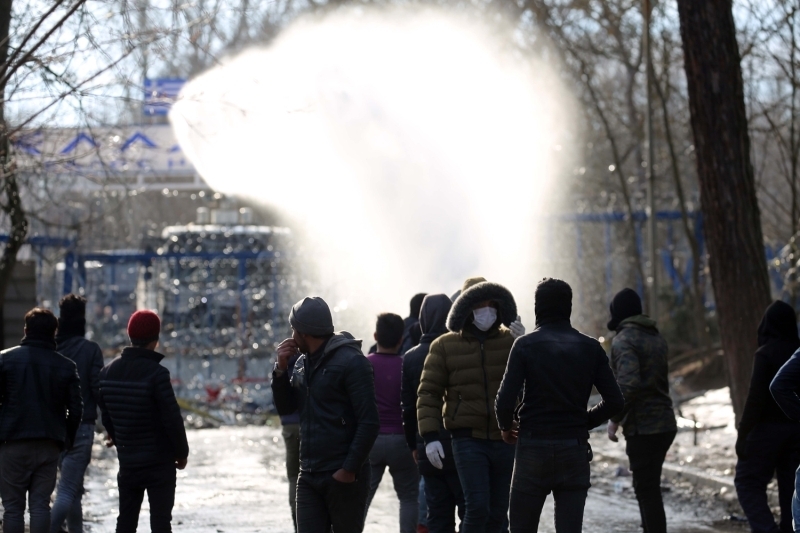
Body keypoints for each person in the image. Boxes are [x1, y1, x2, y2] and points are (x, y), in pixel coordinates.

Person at [496, 278, 623, 533]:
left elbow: (505, 399)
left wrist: (506, 427)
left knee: (521, 527)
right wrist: (584, 421)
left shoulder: (525, 346)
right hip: (573, 449)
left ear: (537, 308)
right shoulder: (590, 348)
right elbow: (615, 401)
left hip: (532, 447)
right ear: (569, 307)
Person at [417, 277, 525, 533]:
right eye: (479, 304)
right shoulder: (444, 345)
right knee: (477, 508)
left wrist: (526, 343)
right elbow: (429, 392)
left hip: (505, 438)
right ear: (465, 307)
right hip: (467, 440)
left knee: (499, 512)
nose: (486, 310)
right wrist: (430, 436)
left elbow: (533, 384)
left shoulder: (511, 341)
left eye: (491, 304)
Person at [271, 297, 380, 533]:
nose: (291, 335)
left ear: (304, 332)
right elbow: (287, 408)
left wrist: (348, 470)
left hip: (343, 475)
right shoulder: (301, 364)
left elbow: (369, 422)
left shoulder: (352, 363)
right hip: (309, 474)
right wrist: (280, 371)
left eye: (293, 329)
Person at [97, 310, 189, 533]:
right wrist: (182, 452)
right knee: (160, 523)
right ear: (155, 340)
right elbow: (171, 417)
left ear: (130, 336)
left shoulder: (107, 372)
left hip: (128, 462)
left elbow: (106, 414)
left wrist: (119, 438)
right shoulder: (157, 374)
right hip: (160, 463)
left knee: (126, 521)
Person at [0, 308, 82, 533]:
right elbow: (76, 409)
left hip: (12, 442)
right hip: (49, 443)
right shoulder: (66, 366)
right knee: (40, 506)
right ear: (54, 333)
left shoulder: (5, 360)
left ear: (26, 330)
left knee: (13, 508)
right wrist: (66, 439)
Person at [605, 288, 677, 533]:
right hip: (665, 423)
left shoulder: (624, 340)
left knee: (646, 491)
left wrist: (614, 418)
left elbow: (628, 384)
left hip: (644, 426)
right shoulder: (655, 337)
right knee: (650, 488)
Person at [736, 301, 800, 533]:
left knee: (747, 482)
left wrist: (743, 435)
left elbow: (755, 400)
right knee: (790, 489)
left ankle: (766, 529)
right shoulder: (797, 353)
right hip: (795, 431)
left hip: (765, 432)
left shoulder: (765, 354)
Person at [402, 294, 464, 533]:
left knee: (438, 516)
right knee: (469, 512)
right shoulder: (462, 351)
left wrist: (414, 446)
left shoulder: (411, 357)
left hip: (428, 447)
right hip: (462, 446)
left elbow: (408, 407)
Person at [50, 294, 105, 533]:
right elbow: (98, 389)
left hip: (51, 427)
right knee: (68, 489)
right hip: (82, 426)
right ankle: (48, 528)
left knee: (74, 489)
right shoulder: (91, 350)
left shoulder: (50, 349)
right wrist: (111, 426)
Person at [365, 313, 419, 533]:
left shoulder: (365, 364)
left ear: (375, 335)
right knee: (408, 498)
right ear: (401, 339)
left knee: (361, 499)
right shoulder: (407, 365)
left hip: (371, 442)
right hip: (402, 441)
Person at [280, 352, 302, 532]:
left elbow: (278, 395)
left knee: (294, 477)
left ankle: (297, 523)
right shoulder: (314, 357)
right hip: (312, 423)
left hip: (289, 424)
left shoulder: (285, 361)